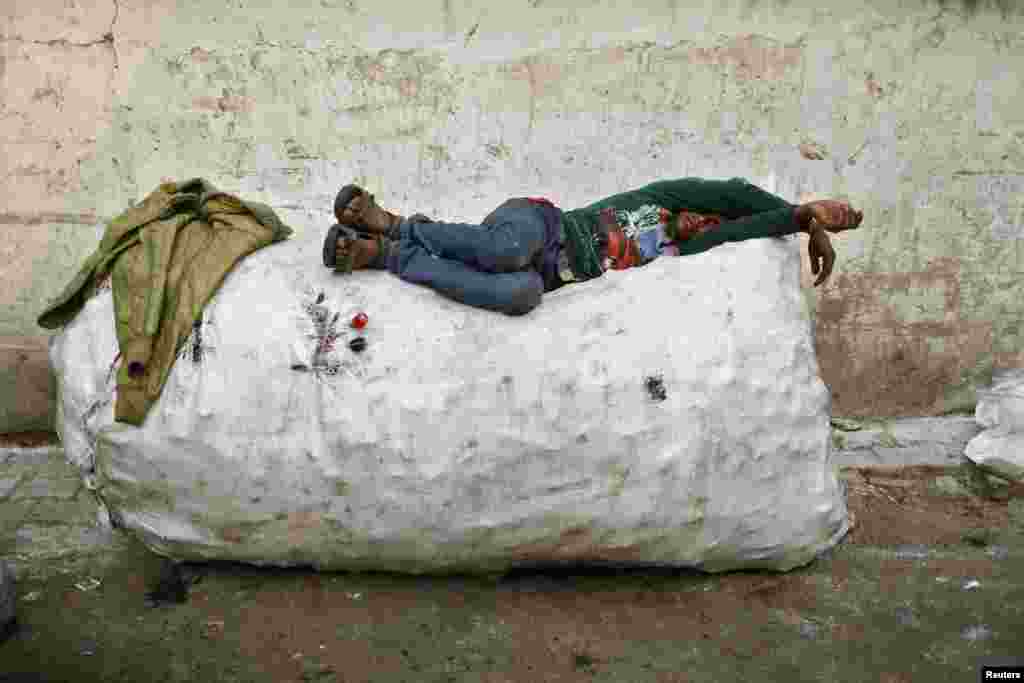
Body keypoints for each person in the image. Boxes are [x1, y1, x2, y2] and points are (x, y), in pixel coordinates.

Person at [322, 177, 863, 316]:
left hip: (553, 273)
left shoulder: (684, 256)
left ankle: (385, 256)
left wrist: (799, 224)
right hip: (541, 224)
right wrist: (806, 213)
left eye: (707, 226)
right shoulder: (664, 198)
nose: (698, 220)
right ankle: (394, 224)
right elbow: (736, 197)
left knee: (522, 293)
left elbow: (738, 229)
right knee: (507, 252)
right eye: (701, 213)